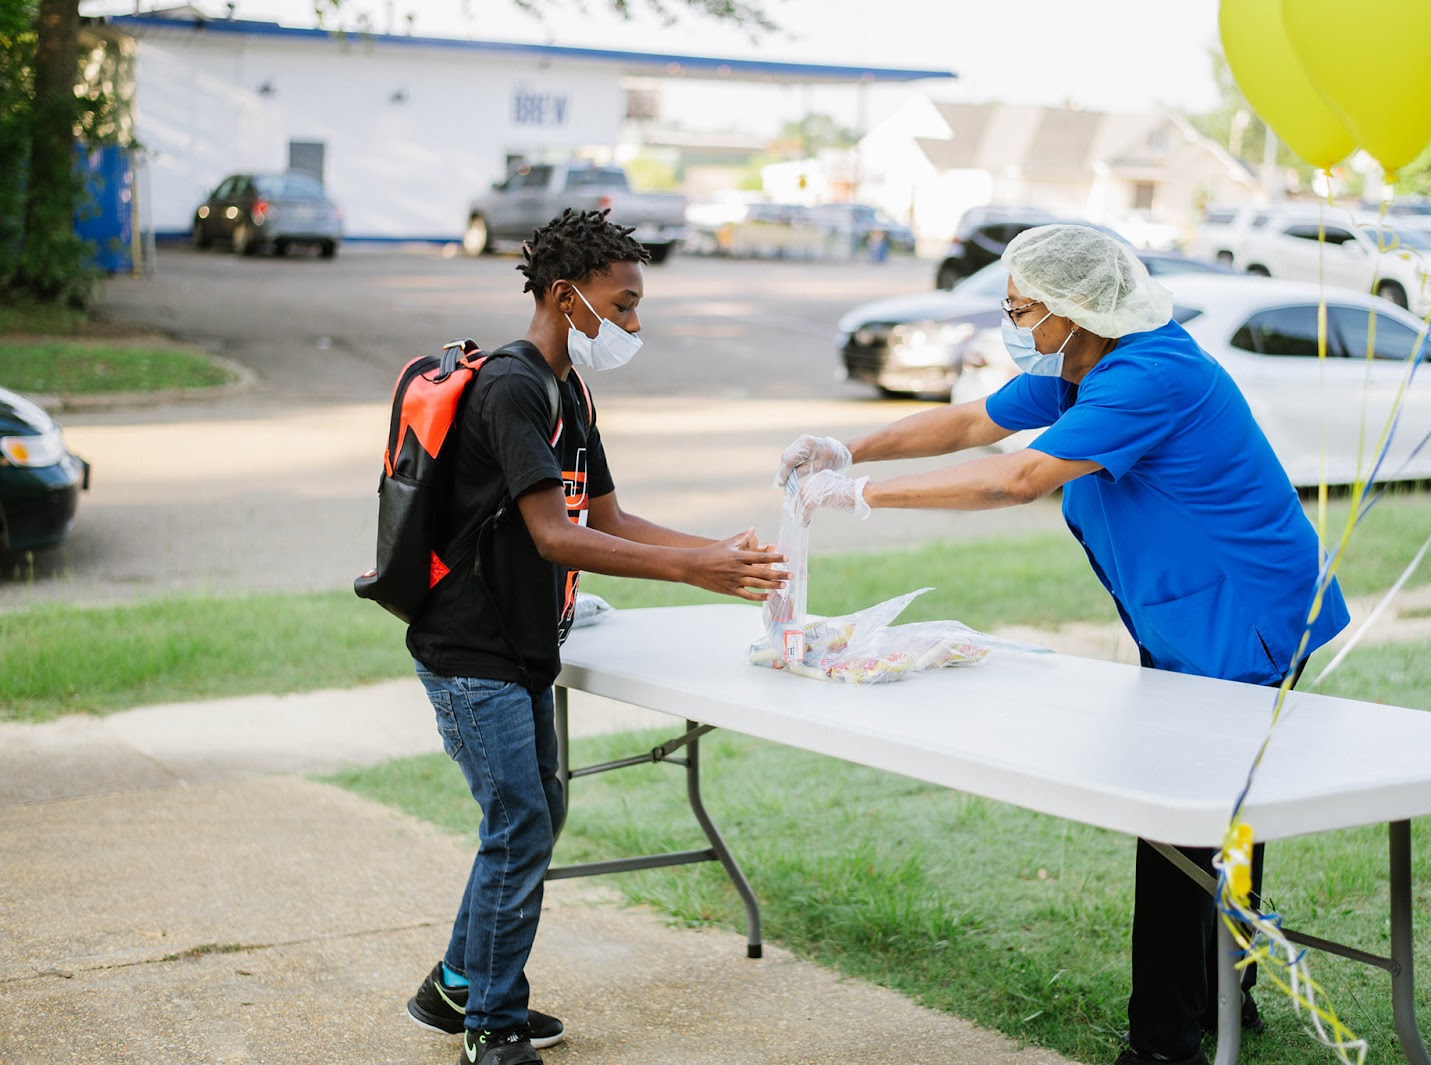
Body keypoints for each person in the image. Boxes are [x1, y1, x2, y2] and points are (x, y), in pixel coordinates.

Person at [778, 223, 1349, 1065]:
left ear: (1076, 307)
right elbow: (971, 421)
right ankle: (1221, 996)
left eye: (1021, 309)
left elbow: (1017, 477)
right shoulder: (1083, 367)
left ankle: (1165, 1044)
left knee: (1181, 822)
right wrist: (845, 445)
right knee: (1217, 815)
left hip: (1248, 617)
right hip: (1192, 617)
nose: (1013, 322)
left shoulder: (1150, 374)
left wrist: (861, 494)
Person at [404, 208, 788, 1065]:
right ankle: (493, 1025)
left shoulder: (569, 390)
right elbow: (555, 535)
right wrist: (693, 571)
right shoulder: (511, 389)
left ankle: (456, 986)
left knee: (536, 814)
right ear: (565, 296)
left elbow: (607, 517)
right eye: (623, 305)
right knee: (520, 823)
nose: (634, 325)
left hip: (520, 646)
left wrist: (718, 552)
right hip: (471, 650)